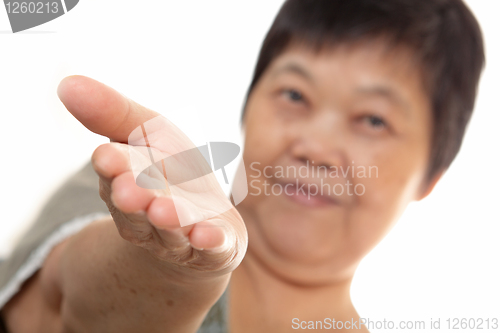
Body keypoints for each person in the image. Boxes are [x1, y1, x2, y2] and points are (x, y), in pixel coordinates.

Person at [0, 0, 485, 332]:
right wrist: (171, 271)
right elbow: (59, 311)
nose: (314, 147)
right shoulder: (144, 192)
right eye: (294, 94)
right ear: (248, 108)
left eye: (374, 120)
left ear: (431, 176)